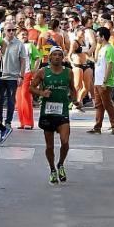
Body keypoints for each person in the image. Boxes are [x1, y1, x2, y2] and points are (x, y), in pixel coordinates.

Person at [31, 47, 72, 185]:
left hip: (63, 112)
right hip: (48, 113)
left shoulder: (68, 72)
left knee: (65, 142)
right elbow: (31, 87)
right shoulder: (43, 72)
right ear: (50, 57)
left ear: (63, 58)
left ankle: (60, 164)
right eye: (54, 55)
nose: (57, 57)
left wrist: (75, 99)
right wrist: (42, 94)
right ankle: (52, 169)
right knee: (50, 146)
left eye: (60, 55)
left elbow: (73, 88)